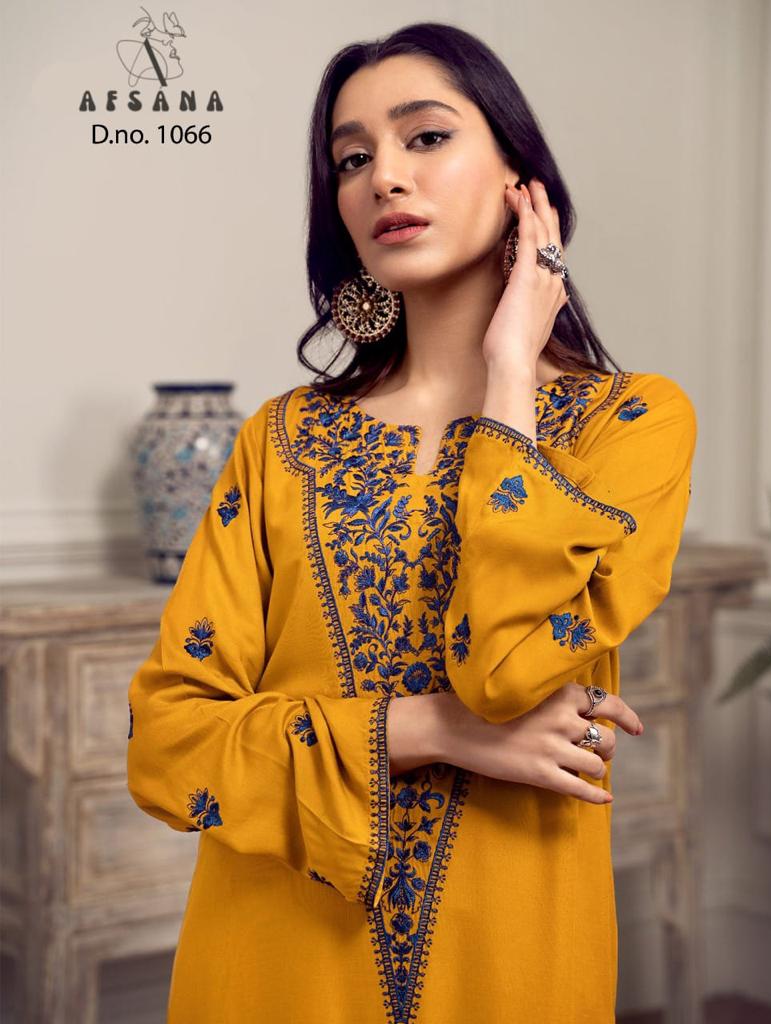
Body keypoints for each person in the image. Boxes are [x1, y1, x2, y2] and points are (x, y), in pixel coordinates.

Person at [127, 21, 696, 1024]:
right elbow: (167, 741)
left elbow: (506, 668)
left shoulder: (629, 424)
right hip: (270, 959)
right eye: (352, 159)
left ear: (522, 178)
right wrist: (435, 730)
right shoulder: (281, 441)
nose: (384, 176)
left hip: (511, 960)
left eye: (425, 136)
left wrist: (510, 376)